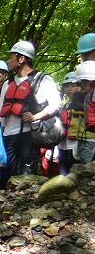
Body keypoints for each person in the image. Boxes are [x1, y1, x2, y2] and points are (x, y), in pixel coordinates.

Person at [0, 41, 61, 184]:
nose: (7, 61)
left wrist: (35, 117)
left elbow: (56, 103)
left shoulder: (42, 79)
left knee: (26, 175)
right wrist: (0, 137)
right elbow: (2, 111)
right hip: (9, 135)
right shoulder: (8, 83)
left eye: (10, 57)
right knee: (6, 174)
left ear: (21, 59)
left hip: (29, 135)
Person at [70, 35, 95, 165]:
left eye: (87, 54)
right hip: (86, 136)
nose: (83, 58)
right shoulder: (85, 73)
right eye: (82, 55)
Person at [56, 72, 80, 175]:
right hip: (63, 147)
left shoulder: (83, 106)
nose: (69, 89)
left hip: (76, 147)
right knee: (63, 177)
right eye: (67, 86)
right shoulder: (64, 106)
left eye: (73, 86)